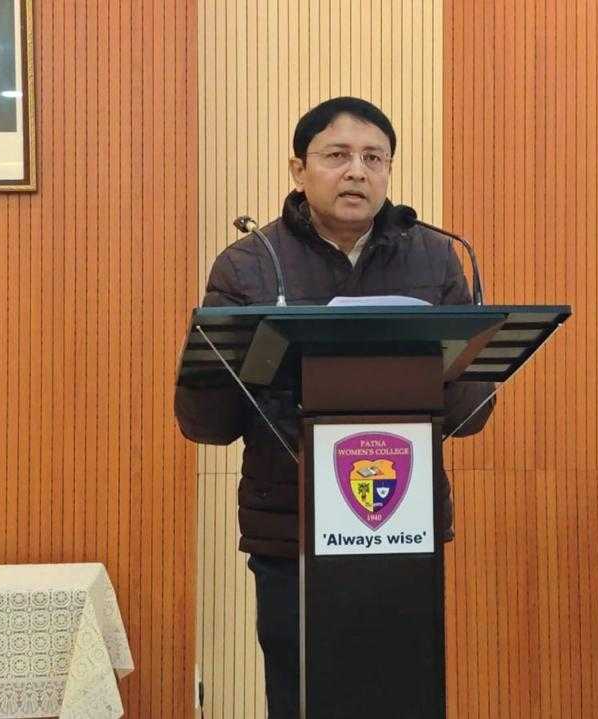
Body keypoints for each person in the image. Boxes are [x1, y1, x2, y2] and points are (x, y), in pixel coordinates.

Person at [174, 96, 495, 717]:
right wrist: (230, 361)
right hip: (289, 524)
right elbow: (207, 422)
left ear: (390, 171)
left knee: (401, 694)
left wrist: (462, 366)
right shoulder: (250, 263)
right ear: (299, 169)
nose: (357, 171)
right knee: (303, 695)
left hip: (401, 527)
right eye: (338, 155)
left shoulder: (434, 256)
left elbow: (469, 411)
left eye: (375, 158)